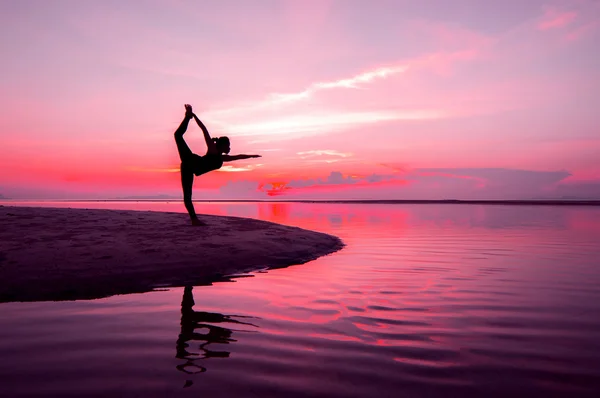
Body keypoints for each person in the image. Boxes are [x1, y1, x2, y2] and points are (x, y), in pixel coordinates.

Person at [174, 104, 261, 225]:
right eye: (228, 145)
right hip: (191, 160)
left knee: (187, 196)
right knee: (177, 135)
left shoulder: (222, 157)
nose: (229, 148)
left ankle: (194, 220)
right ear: (222, 145)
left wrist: (251, 156)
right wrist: (194, 116)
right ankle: (187, 117)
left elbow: (238, 156)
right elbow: (204, 129)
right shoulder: (212, 149)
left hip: (189, 168)